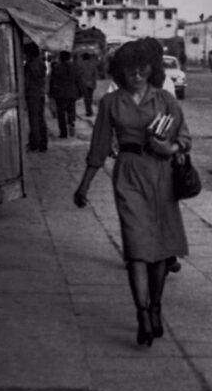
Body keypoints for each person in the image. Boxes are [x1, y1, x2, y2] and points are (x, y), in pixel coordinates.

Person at [73, 38, 190, 347]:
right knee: (137, 249)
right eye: (129, 70)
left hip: (162, 176)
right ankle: (142, 313)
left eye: (142, 69)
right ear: (119, 71)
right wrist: (84, 184)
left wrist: (169, 147)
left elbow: (185, 138)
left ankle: (156, 305)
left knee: (162, 251)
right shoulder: (111, 103)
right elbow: (99, 145)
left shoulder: (166, 99)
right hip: (128, 175)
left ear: (151, 69)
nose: (136, 76)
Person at [48, 50, 84, 138]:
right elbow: (79, 81)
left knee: (61, 114)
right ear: (69, 57)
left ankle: (63, 132)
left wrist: (51, 94)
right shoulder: (75, 68)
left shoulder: (56, 68)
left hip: (60, 95)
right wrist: (81, 92)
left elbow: (53, 82)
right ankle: (71, 125)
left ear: (60, 58)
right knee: (71, 111)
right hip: (72, 93)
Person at [22, 42, 48, 152]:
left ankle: (35, 143)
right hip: (40, 93)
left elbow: (26, 81)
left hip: (32, 94)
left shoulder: (30, 64)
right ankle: (42, 142)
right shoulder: (40, 63)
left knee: (34, 120)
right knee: (40, 118)